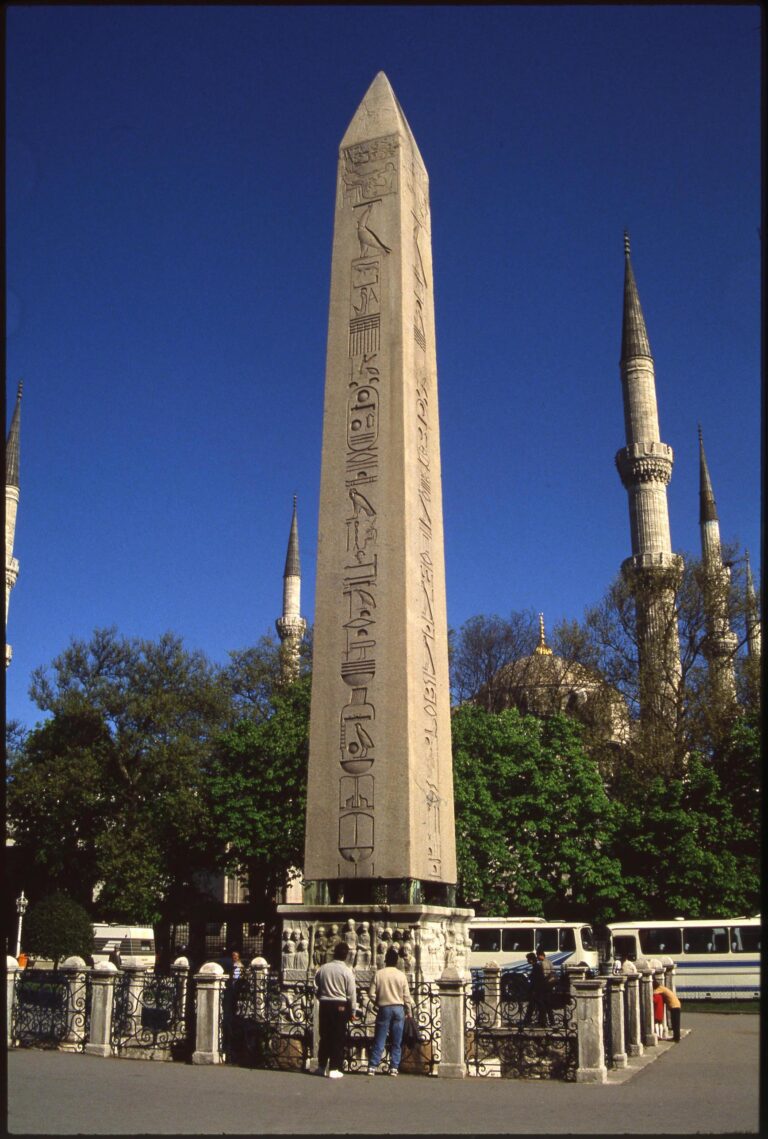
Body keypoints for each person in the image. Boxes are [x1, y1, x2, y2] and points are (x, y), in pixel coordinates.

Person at [367, 946, 414, 1076]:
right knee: (397, 1040)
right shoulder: (401, 975)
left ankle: (373, 1065)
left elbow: (371, 993)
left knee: (380, 1037)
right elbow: (406, 996)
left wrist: (376, 1003)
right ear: (397, 961)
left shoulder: (379, 974)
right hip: (398, 1008)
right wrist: (409, 1010)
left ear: (385, 960)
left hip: (384, 1007)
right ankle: (394, 1067)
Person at [314, 941, 357, 1078]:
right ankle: (334, 1067)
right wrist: (353, 1011)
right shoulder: (347, 971)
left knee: (325, 1036)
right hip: (340, 1004)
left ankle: (321, 1066)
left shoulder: (323, 968)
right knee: (337, 1036)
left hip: (325, 1003)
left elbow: (315, 987)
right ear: (346, 956)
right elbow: (351, 993)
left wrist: (321, 996)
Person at [524, 948, 556, 1027]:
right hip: (547, 986)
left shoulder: (540, 965)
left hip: (541, 988)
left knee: (541, 1006)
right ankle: (548, 1022)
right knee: (544, 1006)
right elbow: (552, 973)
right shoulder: (549, 962)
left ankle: (540, 1021)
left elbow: (539, 978)